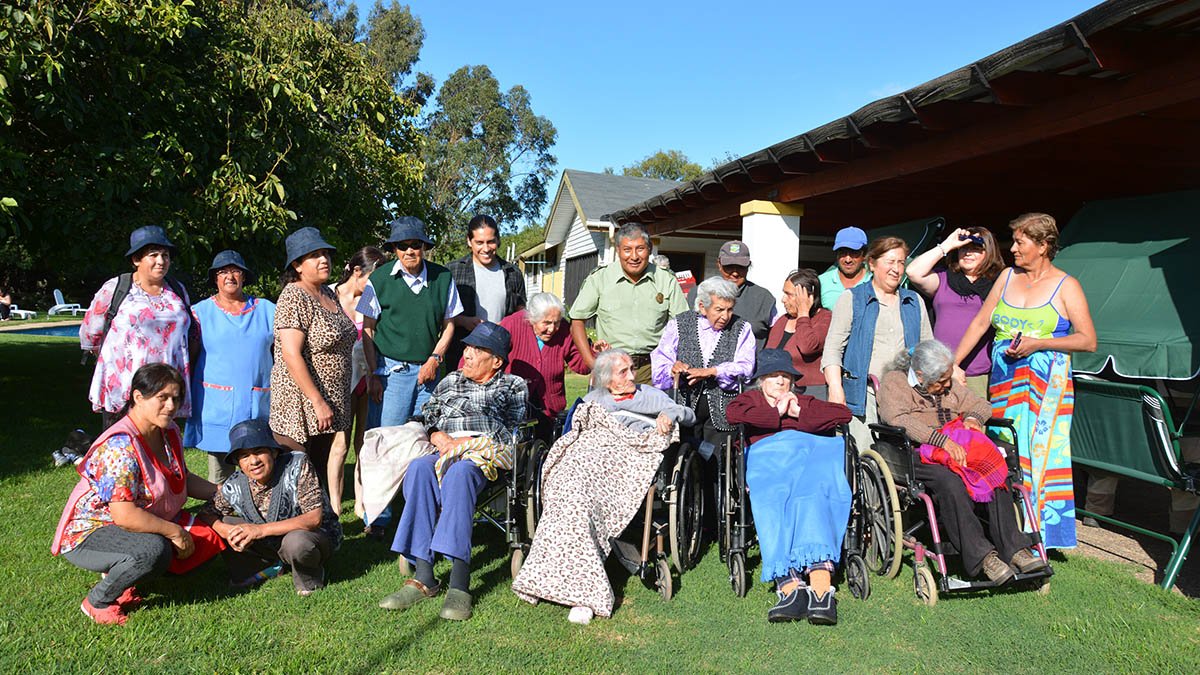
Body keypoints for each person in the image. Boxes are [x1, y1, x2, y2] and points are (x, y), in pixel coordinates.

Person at [512, 348, 695, 625]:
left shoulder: (650, 395)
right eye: (624, 372)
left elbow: (687, 413)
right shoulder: (592, 399)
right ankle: (543, 577)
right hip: (586, 453)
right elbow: (574, 428)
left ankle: (584, 596)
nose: (633, 375)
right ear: (608, 380)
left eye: (632, 369)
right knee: (565, 492)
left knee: (584, 502)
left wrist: (670, 413)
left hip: (624, 456)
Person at [954, 213, 1096, 549]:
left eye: (1020, 242)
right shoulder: (1006, 277)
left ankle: (1039, 538)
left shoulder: (1067, 285)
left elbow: (1088, 340)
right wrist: (953, 365)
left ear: (1044, 245)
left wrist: (1039, 342)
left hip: (1045, 386)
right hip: (1004, 382)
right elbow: (979, 324)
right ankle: (1008, 529)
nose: (1013, 248)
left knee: (1039, 457)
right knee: (1004, 450)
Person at [378, 322, 528, 621]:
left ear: (496, 360)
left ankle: (459, 583)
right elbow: (427, 415)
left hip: (483, 454)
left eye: (477, 349)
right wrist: (437, 435)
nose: (467, 354)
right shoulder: (451, 380)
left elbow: (516, 430)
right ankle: (423, 576)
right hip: (443, 449)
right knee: (419, 468)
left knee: (460, 475)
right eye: (468, 347)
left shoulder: (512, 385)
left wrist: (469, 443)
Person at [51, 364, 217, 625]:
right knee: (154, 551)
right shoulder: (120, 446)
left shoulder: (168, 431)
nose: (171, 406)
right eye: (162, 398)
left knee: (207, 536)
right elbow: (125, 516)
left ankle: (123, 576)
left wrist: (222, 494)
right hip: (91, 533)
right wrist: (175, 532)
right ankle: (98, 601)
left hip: (135, 521)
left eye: (176, 398)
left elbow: (179, 477)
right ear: (138, 397)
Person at [878, 340, 1049, 582]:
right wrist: (940, 440)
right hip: (916, 453)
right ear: (920, 375)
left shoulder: (949, 386)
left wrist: (973, 419)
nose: (948, 385)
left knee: (994, 472)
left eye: (949, 379)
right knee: (950, 482)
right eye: (942, 381)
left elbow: (980, 403)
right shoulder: (895, 382)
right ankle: (984, 558)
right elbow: (896, 418)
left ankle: (1015, 550)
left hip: (957, 447)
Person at [726, 349, 853, 624]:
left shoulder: (804, 400)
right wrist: (775, 413)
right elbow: (733, 414)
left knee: (813, 495)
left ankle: (821, 591)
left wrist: (798, 411)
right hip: (770, 460)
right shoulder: (750, 400)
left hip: (809, 458)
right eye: (773, 376)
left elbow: (843, 415)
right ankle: (790, 588)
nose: (781, 382)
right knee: (775, 498)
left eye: (785, 376)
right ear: (761, 381)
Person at [356, 216, 463, 538]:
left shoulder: (443, 278)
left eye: (415, 245)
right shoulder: (380, 280)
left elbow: (449, 325)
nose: (409, 251)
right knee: (385, 442)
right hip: (391, 371)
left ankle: (424, 509)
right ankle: (378, 516)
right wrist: (374, 373)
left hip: (430, 372)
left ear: (424, 248)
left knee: (428, 440)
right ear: (394, 249)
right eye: (402, 246)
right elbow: (368, 329)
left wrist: (434, 358)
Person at [201, 418, 343, 596]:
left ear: (274, 453)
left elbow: (313, 519)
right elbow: (206, 514)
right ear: (238, 463)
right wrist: (226, 531)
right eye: (244, 456)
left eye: (259, 451)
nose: (253, 461)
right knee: (225, 523)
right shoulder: (235, 484)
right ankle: (262, 569)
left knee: (297, 543)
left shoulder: (297, 465)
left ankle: (309, 578)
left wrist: (259, 530)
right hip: (270, 541)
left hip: (313, 536)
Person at [822, 236, 933, 453]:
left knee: (903, 462)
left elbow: (928, 351)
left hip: (906, 397)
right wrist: (836, 389)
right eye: (890, 262)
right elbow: (833, 349)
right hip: (865, 395)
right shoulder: (852, 299)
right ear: (872, 264)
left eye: (901, 263)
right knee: (866, 457)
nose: (896, 269)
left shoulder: (913, 301)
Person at [79, 226, 196, 430]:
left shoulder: (177, 290)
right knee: (126, 446)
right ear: (136, 259)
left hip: (167, 389)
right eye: (153, 255)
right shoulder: (116, 288)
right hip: (127, 388)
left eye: (165, 255)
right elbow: (90, 333)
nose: (161, 261)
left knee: (161, 451)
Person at [269, 227, 357, 486]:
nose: (324, 260)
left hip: (330, 401)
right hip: (301, 404)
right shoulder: (293, 296)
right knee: (297, 479)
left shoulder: (328, 293)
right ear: (297, 265)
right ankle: (294, 526)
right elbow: (290, 353)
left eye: (326, 254)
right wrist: (318, 402)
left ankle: (321, 525)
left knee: (317, 475)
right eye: (315, 255)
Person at [185, 250, 276, 482]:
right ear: (215, 278)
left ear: (244, 276)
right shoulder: (199, 313)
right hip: (217, 403)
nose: (229, 276)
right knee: (220, 469)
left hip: (258, 399)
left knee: (259, 459)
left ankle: (260, 507)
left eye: (235, 270)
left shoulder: (267, 310)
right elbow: (190, 358)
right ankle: (221, 509)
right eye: (222, 272)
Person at [569, 223, 688, 384]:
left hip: (652, 370)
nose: (634, 256)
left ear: (650, 248)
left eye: (640, 249)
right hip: (611, 367)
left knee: (655, 410)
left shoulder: (666, 280)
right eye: (627, 250)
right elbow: (577, 321)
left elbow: (684, 325)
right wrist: (592, 363)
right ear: (618, 250)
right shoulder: (600, 279)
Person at [651, 276, 754, 453]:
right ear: (702, 307)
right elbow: (661, 362)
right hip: (685, 403)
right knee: (683, 453)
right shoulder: (679, 324)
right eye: (719, 309)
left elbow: (746, 367)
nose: (725, 316)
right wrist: (672, 368)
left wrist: (713, 371)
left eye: (730, 310)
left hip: (722, 407)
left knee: (716, 460)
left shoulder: (742, 328)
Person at [905, 226, 1006, 399]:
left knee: (972, 423)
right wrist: (947, 244)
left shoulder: (998, 285)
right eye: (963, 248)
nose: (967, 253)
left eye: (975, 249)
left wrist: (956, 365)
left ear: (988, 252)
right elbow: (913, 272)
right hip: (938, 371)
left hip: (975, 374)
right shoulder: (944, 279)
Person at [329, 246, 388, 516]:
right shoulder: (329, 295)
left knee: (363, 442)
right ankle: (335, 505)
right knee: (339, 444)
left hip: (368, 374)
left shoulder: (374, 299)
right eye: (371, 278)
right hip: (340, 379)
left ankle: (363, 502)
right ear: (356, 271)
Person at [499, 292, 592, 437]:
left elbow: (581, 365)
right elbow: (488, 353)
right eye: (546, 323)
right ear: (532, 319)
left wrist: (594, 355)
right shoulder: (512, 324)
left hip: (550, 409)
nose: (552, 329)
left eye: (557, 322)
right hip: (513, 406)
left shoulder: (564, 330)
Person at [446, 214, 527, 369]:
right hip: (462, 354)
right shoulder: (453, 271)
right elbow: (440, 314)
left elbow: (521, 314)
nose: (486, 248)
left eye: (490, 242)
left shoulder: (513, 273)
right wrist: (464, 321)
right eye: (479, 242)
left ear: (498, 240)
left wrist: (506, 325)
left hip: (500, 354)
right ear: (469, 241)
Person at [766, 268, 832, 400]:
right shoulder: (783, 320)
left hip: (810, 393)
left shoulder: (825, 318)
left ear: (807, 297)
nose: (783, 299)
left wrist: (803, 313)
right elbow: (768, 354)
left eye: (789, 294)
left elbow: (807, 347)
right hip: (780, 391)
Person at [715, 240, 778, 347]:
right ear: (719, 265)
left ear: (749, 265)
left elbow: (777, 337)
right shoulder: (701, 294)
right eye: (729, 266)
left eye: (741, 267)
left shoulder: (764, 298)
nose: (735, 273)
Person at [818, 226, 872, 309]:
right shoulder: (822, 282)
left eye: (854, 253)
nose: (848, 259)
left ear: (864, 255)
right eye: (842, 253)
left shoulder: (874, 280)